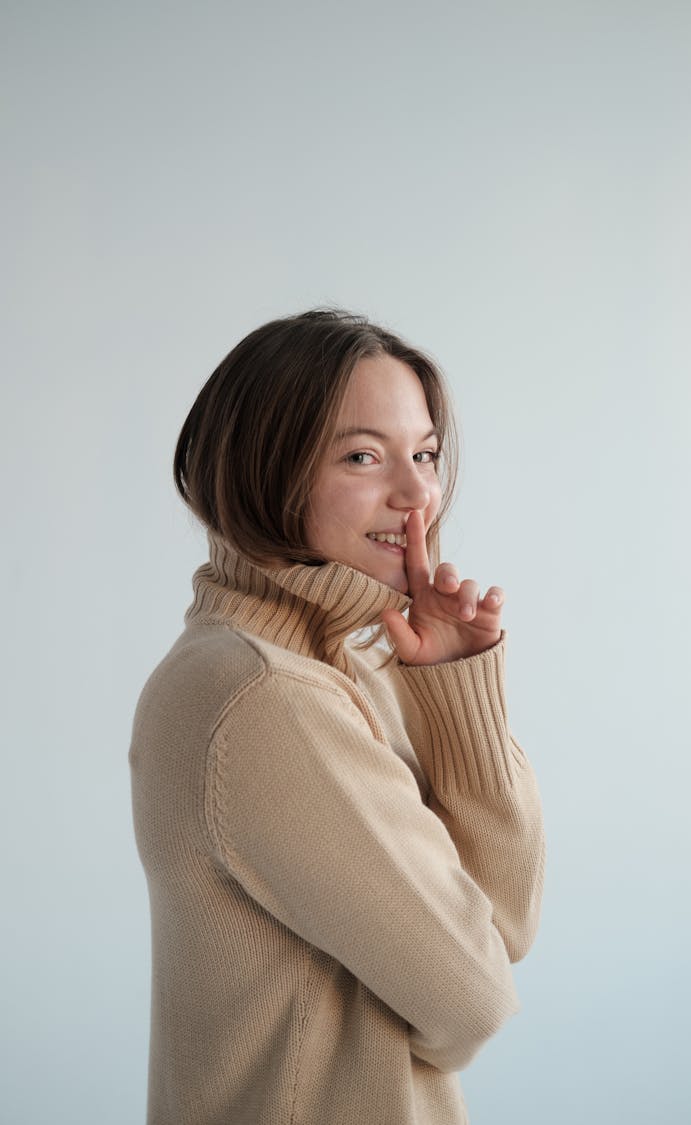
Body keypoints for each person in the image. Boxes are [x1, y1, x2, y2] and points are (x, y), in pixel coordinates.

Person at [129, 308, 545, 1125]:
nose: (418, 491)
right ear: (265, 468)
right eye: (364, 455)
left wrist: (456, 686)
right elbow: (476, 994)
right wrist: (460, 981)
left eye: (424, 453)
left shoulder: (336, 664)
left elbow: (507, 921)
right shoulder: (265, 694)